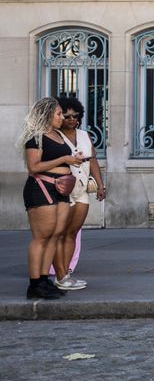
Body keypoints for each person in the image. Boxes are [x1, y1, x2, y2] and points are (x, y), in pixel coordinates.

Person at [18, 97, 84, 299]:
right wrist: (65, 159)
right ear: (47, 115)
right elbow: (34, 167)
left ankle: (45, 278)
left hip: (61, 189)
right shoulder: (35, 138)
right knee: (42, 237)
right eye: (58, 113)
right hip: (41, 189)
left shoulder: (57, 135)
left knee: (56, 235)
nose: (61, 117)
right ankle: (35, 282)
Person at [52, 96, 106, 290]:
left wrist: (101, 185)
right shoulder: (54, 136)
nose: (71, 119)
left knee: (72, 233)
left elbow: (92, 161)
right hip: (63, 189)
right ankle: (59, 274)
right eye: (66, 116)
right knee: (61, 233)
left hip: (82, 187)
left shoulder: (84, 135)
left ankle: (66, 273)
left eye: (75, 116)